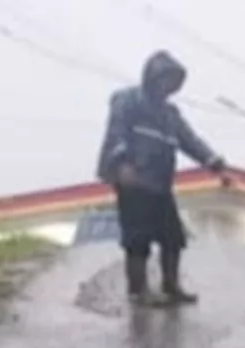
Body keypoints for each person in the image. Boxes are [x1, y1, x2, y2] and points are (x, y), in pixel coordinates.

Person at [97, 51, 226, 306]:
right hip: (133, 180)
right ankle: (138, 290)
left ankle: (171, 284)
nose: (168, 86)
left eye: (173, 82)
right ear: (152, 76)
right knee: (137, 238)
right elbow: (117, 131)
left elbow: (189, 139)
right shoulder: (128, 100)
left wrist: (212, 160)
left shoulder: (170, 114)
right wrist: (122, 164)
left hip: (160, 183)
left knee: (173, 237)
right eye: (165, 79)